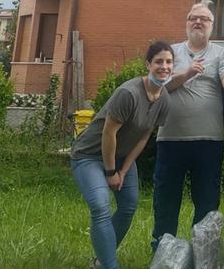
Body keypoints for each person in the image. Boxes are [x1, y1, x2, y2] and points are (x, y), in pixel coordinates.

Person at [152, 0, 224, 248]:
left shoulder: (221, 53)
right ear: (186, 23)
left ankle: (204, 256)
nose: (198, 21)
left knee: (207, 204)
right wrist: (186, 74)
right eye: (193, 18)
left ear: (212, 25)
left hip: (208, 141)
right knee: (165, 201)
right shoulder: (171, 53)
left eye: (204, 19)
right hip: (170, 141)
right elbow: (156, 83)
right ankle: (163, 255)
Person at [71, 41, 173, 269]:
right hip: (90, 155)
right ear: (148, 64)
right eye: (159, 61)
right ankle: (110, 265)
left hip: (121, 156)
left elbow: (144, 137)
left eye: (168, 62)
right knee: (100, 206)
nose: (164, 66)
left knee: (128, 206)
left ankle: (100, 260)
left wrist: (124, 170)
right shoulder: (128, 93)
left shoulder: (164, 99)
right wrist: (110, 172)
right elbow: (109, 132)